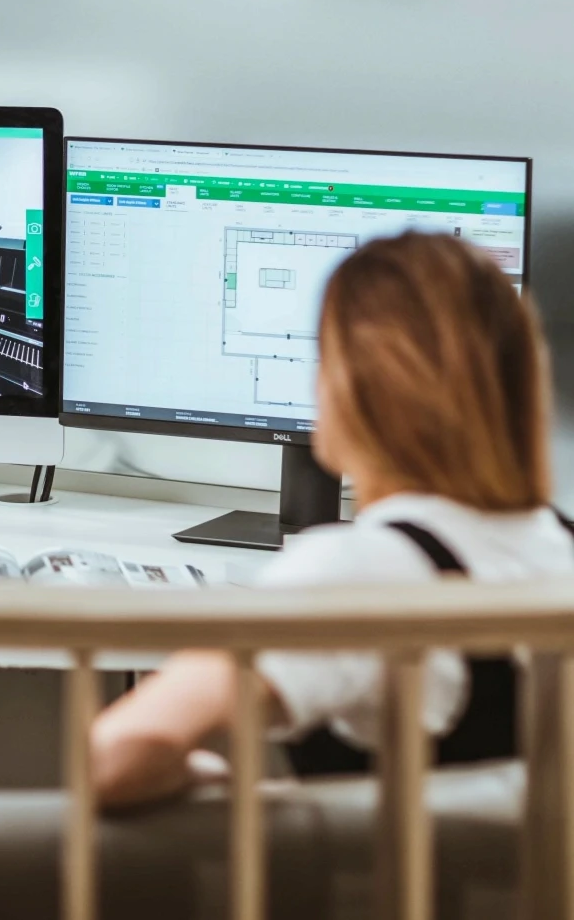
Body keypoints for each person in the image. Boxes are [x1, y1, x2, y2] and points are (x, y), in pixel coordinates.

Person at [90, 231, 573, 810]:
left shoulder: (359, 570)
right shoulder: (556, 542)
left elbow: (110, 762)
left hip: (399, 899)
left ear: (355, 387)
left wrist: (219, 784)